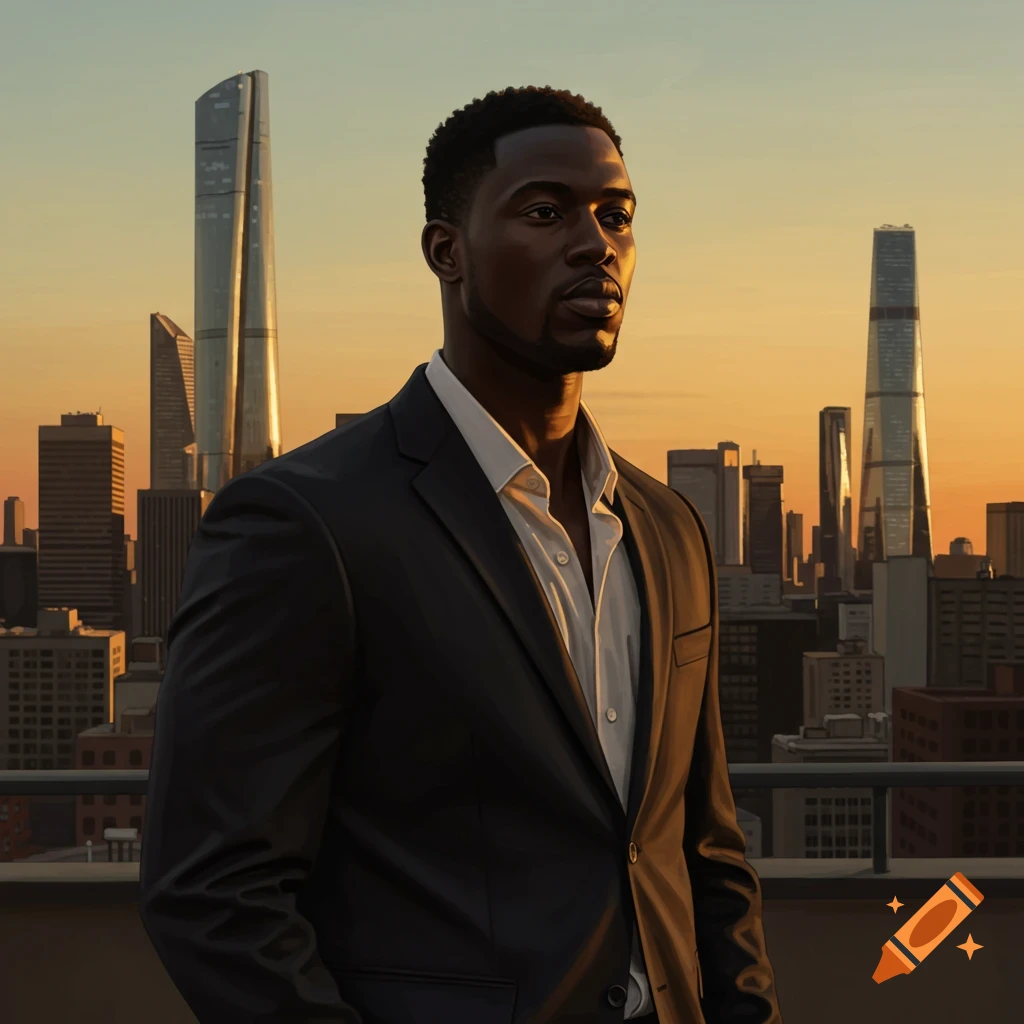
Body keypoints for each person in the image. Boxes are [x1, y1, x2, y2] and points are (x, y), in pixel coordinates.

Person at [139, 85, 782, 1024]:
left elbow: (704, 851)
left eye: (617, 216)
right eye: (545, 210)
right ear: (447, 252)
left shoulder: (669, 526)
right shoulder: (305, 523)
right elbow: (210, 894)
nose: (594, 243)